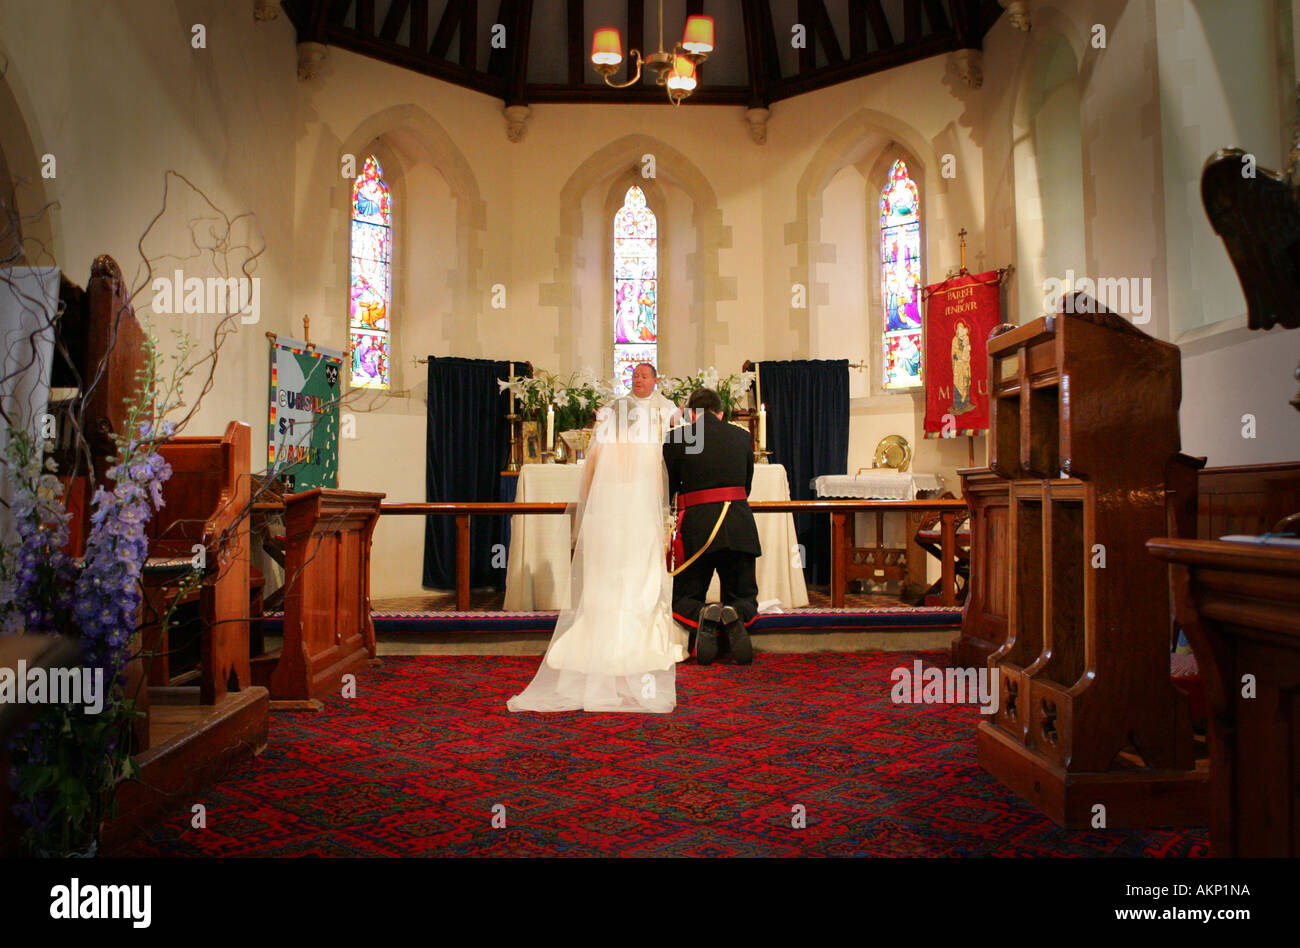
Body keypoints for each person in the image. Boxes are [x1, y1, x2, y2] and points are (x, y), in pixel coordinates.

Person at [506, 391, 686, 714]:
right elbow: (659, 497)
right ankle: (634, 654)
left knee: (603, 587)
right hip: (638, 530)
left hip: (605, 529)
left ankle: (598, 650)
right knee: (636, 587)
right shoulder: (650, 451)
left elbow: (587, 497)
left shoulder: (599, 451)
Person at [663, 388, 761, 666]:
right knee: (744, 594)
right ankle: (733, 612)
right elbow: (746, 485)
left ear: (691, 414)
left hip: (697, 529)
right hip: (739, 523)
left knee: (684, 596)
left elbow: (668, 489)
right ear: (720, 413)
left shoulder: (677, 438)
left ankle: (703, 615)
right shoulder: (743, 437)